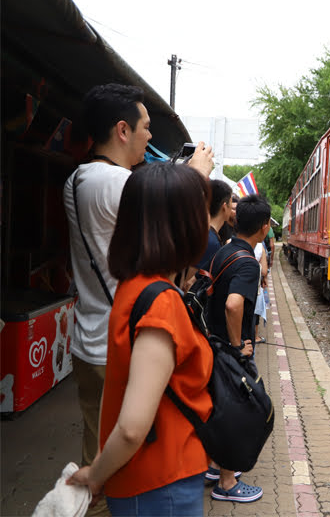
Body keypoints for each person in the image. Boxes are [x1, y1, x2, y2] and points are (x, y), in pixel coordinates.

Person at [63, 84, 213, 474]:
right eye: (145, 126)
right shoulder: (117, 184)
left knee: (98, 448)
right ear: (123, 131)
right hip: (123, 344)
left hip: (91, 335)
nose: (150, 136)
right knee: (111, 465)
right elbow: (181, 237)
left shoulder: (78, 180)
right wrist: (196, 178)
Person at [204, 194, 271, 502]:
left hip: (211, 341)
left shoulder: (224, 249)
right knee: (237, 410)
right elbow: (234, 305)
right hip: (228, 348)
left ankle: (215, 465)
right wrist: (237, 348)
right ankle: (227, 484)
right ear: (265, 227)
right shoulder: (248, 263)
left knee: (219, 405)